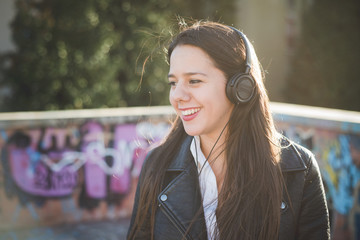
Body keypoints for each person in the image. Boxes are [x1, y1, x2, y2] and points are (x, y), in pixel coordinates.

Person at [127, 21, 330, 240]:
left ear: (240, 87)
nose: (177, 96)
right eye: (173, 83)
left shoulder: (299, 169)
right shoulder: (157, 165)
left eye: (194, 81)